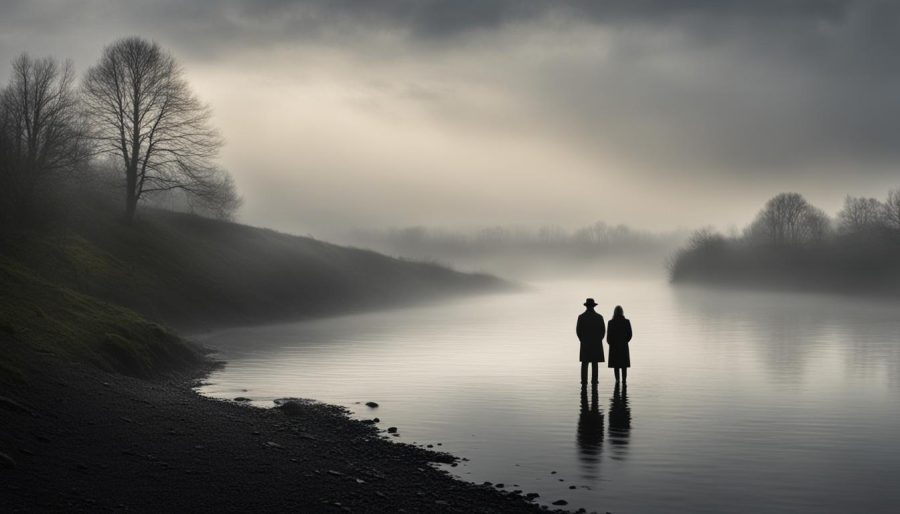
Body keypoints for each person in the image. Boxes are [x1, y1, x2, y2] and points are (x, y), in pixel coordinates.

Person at [576, 298, 605, 385]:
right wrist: (599, 340)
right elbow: (603, 331)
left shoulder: (581, 317)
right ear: (593, 306)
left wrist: (582, 340)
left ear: (586, 306)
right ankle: (594, 381)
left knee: (584, 363)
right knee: (594, 363)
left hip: (585, 343)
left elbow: (578, 331)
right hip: (596, 343)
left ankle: (584, 381)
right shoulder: (599, 317)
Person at [606, 305, 632, 384]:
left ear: (614, 312)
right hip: (623, 347)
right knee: (624, 366)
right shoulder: (626, 321)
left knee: (616, 366)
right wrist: (624, 341)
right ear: (622, 312)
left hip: (614, 347)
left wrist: (611, 344)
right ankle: (624, 381)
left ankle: (617, 381)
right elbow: (630, 334)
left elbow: (608, 337)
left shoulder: (610, 322)